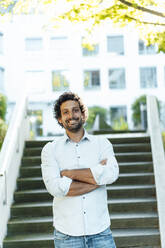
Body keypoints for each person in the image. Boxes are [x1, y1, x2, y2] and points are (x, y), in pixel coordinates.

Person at [41, 92, 119, 248]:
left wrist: (70, 174)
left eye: (75, 110)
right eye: (66, 112)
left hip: (101, 232)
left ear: (83, 114)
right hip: (67, 236)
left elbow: (111, 174)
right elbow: (55, 188)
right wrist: (97, 177)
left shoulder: (102, 144)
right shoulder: (50, 150)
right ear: (60, 119)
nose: (71, 115)